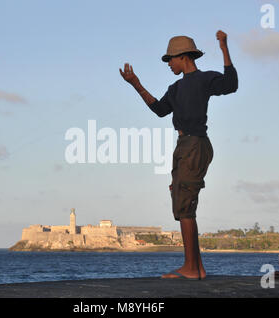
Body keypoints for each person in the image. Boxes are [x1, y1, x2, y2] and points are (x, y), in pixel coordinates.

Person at [119, 30, 238, 279]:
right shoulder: (176, 87)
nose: (168, 64)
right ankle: (197, 268)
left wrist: (224, 48)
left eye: (170, 60)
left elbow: (231, 85)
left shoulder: (204, 79)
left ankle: (191, 268)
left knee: (184, 206)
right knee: (183, 203)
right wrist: (136, 84)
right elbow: (160, 110)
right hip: (184, 145)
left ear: (183, 57)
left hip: (195, 144)